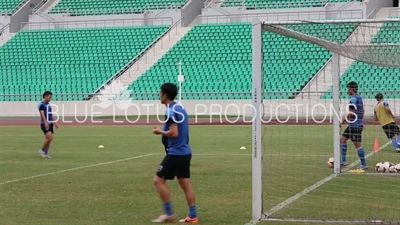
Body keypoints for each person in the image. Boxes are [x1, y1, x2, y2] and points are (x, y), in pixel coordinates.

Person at [151, 83, 198, 223]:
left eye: (160, 93)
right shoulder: (180, 108)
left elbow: (173, 132)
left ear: (165, 95)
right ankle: (193, 215)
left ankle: (169, 213)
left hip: (176, 153)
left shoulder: (171, 111)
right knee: (185, 183)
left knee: (158, 180)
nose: (159, 95)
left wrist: (159, 131)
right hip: (185, 151)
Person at [340, 81, 368, 169]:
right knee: (342, 140)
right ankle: (343, 161)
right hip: (355, 125)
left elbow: (352, 112)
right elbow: (362, 111)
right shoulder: (359, 98)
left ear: (351, 89)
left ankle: (364, 164)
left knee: (358, 145)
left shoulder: (353, 99)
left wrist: (343, 120)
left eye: (348, 89)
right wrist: (360, 121)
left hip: (354, 126)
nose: (347, 90)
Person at [38, 91, 58, 158]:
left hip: (50, 123)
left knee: (48, 139)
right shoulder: (42, 105)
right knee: (50, 138)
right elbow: (42, 114)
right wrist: (45, 122)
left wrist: (54, 122)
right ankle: (42, 150)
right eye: (49, 97)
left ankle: (46, 153)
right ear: (45, 96)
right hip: (45, 124)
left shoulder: (49, 105)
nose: (50, 99)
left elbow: (50, 114)